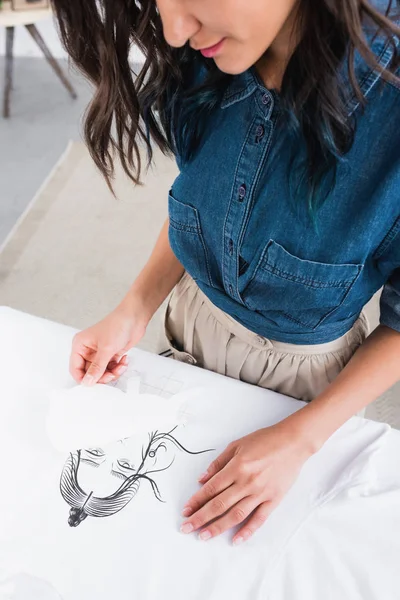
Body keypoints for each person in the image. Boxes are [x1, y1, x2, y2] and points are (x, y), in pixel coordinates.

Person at [50, 0, 400, 545]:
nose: (173, 29)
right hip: (188, 327)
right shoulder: (207, 48)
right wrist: (133, 308)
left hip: (305, 389)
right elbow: (202, 210)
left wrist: (299, 441)